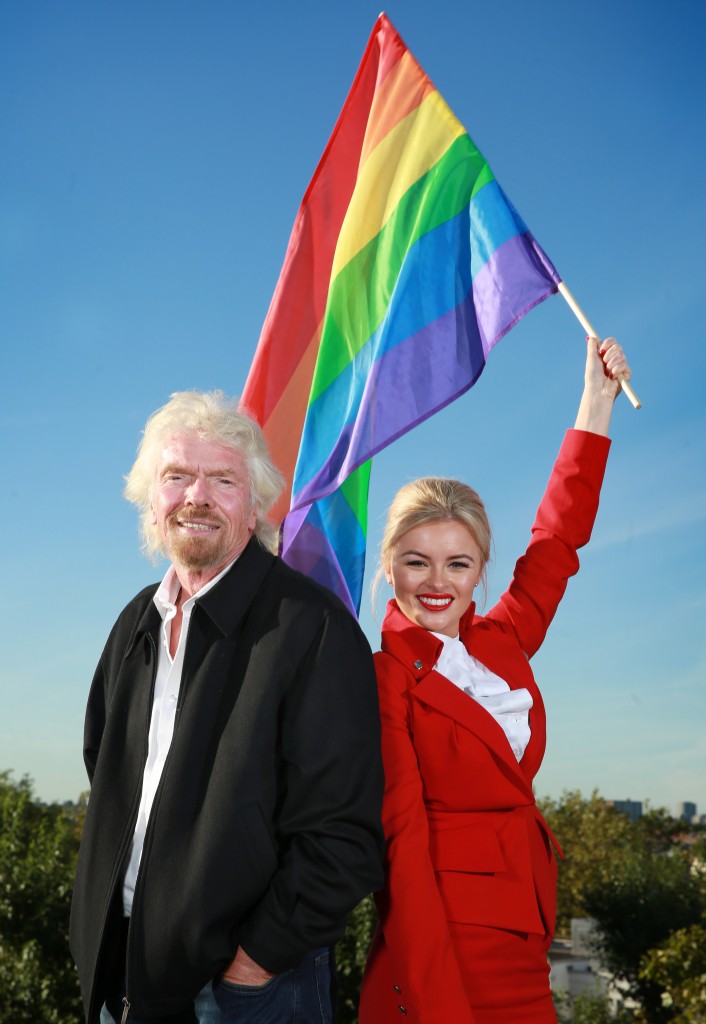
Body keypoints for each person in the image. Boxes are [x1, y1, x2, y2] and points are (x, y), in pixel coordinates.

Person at [69, 390, 385, 1024]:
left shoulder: (314, 628)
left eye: (222, 479)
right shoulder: (135, 622)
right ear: (148, 499)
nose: (197, 496)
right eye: (177, 476)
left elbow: (343, 836)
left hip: (245, 994)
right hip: (122, 979)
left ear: (253, 504)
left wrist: (254, 964)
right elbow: (106, 771)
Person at [359, 339, 632, 1023]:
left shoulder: (501, 641)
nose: (437, 583)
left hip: (525, 935)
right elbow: (404, 850)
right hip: (443, 950)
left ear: (481, 569)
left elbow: (556, 541)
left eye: (458, 563)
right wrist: (438, 1003)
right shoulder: (383, 679)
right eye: (416, 562)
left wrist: (595, 404)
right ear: (388, 568)